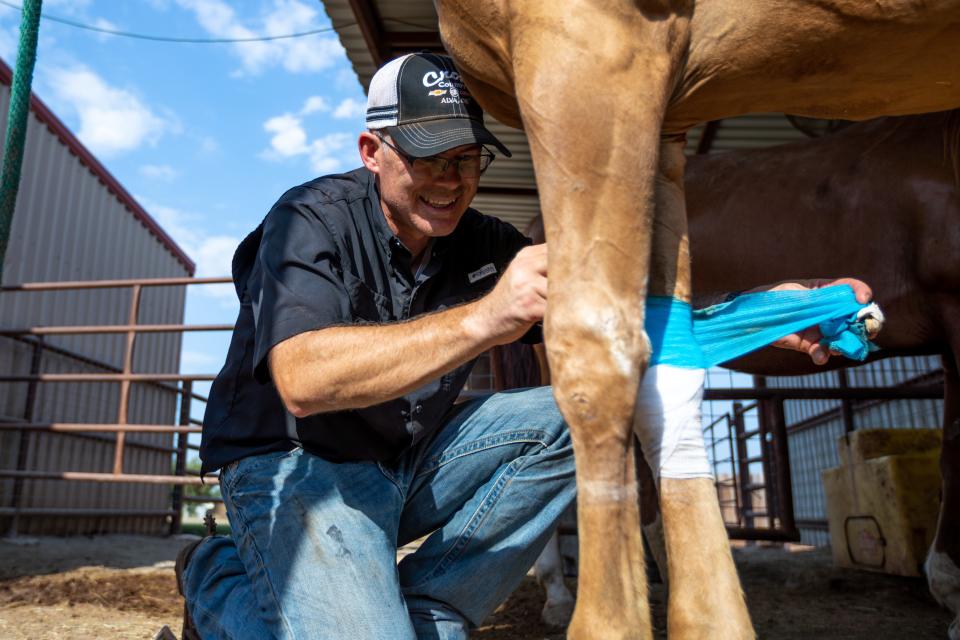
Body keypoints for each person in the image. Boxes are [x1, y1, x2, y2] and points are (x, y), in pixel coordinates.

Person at [176, 52, 874, 640]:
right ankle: (216, 576)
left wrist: (759, 318)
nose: (451, 184)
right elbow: (301, 378)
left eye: (467, 160)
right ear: (372, 152)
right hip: (300, 464)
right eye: (428, 160)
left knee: (587, 405)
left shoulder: (485, 243)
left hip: (402, 458)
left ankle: (431, 604)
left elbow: (620, 332)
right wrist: (488, 317)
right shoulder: (308, 220)